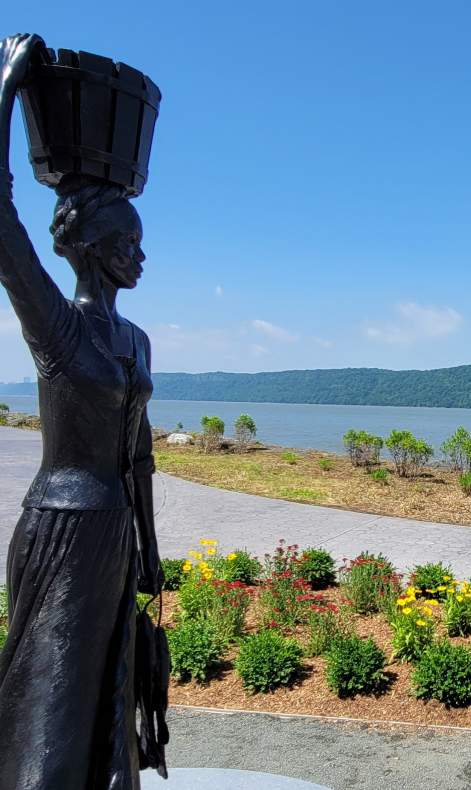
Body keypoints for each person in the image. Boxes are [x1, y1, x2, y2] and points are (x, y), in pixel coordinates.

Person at [0, 34, 164, 790]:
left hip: (113, 533)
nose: (141, 256)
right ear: (96, 248)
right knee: (53, 693)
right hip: (62, 528)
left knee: (107, 687)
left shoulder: (135, 339)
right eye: (129, 242)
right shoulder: (58, 326)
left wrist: (151, 548)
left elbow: (137, 456)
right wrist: (6, 90)